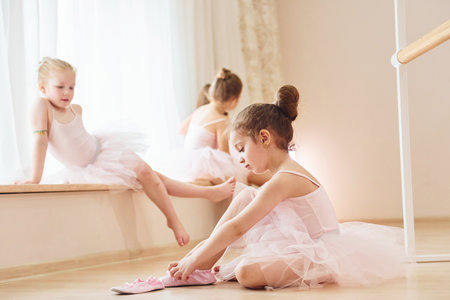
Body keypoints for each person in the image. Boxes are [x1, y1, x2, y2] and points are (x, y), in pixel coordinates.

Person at [111, 84, 405, 293]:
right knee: (243, 196)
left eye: (241, 148)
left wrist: (190, 258)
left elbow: (238, 229)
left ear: (264, 138)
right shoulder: (278, 178)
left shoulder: (284, 179)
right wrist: (196, 257)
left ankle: (322, 270)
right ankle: (200, 269)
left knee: (246, 272)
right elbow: (234, 221)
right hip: (300, 240)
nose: (239, 158)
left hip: (321, 251)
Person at [15, 57, 236, 247]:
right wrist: (35, 179)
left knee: (153, 177)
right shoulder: (41, 106)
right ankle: (206, 196)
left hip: (103, 152)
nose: (67, 92)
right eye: (60, 87)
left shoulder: (76, 109)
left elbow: (76, 141)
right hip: (88, 166)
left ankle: (176, 218)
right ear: (43, 87)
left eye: (72, 87)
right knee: (154, 178)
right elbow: (40, 142)